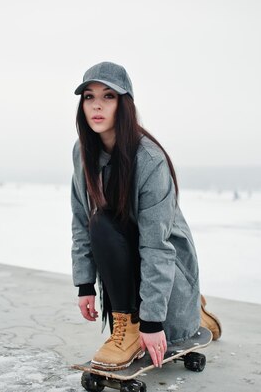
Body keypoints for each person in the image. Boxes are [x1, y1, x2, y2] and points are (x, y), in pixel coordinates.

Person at [70, 61, 221, 371]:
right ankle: (173, 311)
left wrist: (151, 320)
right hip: (126, 263)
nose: (96, 105)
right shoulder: (82, 152)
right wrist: (85, 283)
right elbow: (81, 219)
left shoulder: (149, 160)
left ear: (124, 104)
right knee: (99, 222)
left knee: (106, 223)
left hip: (160, 259)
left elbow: (157, 244)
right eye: (89, 96)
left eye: (109, 96)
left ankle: (155, 317)